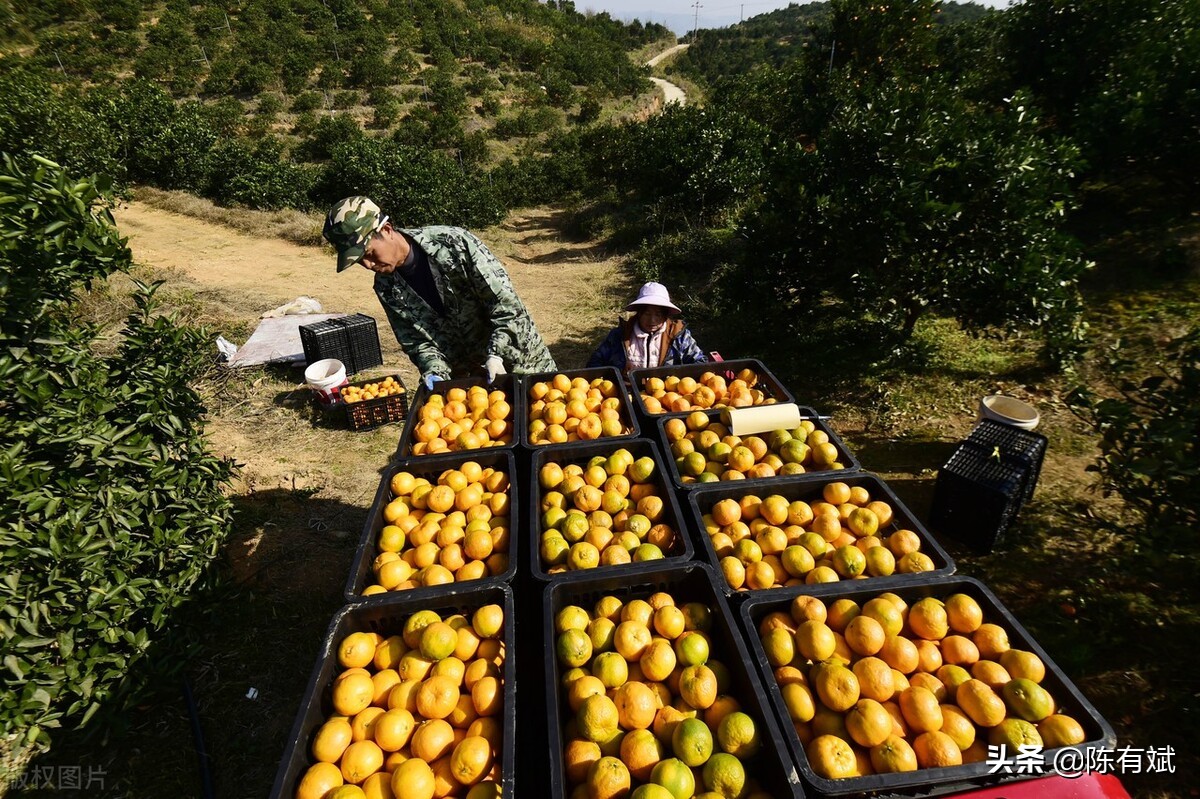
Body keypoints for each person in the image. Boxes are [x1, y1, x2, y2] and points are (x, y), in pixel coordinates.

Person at [322, 196, 556, 389]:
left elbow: (506, 307)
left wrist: (496, 354)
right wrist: (434, 371)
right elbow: (417, 343)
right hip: (474, 386)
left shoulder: (455, 245)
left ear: (387, 229)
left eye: (370, 253)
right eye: (359, 261)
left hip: (523, 366)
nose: (369, 265)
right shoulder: (387, 288)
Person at [587, 281, 707, 375]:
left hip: (666, 398)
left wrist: (675, 379)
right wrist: (616, 378)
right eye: (647, 314)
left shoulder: (679, 337)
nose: (652, 321)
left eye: (658, 315)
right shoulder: (620, 336)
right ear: (639, 313)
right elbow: (594, 363)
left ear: (666, 315)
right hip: (625, 395)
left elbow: (700, 363)